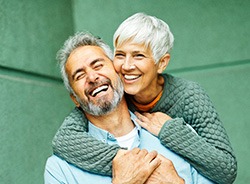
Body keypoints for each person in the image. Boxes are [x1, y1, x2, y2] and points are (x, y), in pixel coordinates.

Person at [52, 13, 237, 183]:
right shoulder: (61, 166)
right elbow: (63, 140)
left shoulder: (188, 100)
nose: (126, 66)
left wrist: (170, 132)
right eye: (120, 55)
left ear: (162, 63)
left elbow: (225, 168)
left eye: (138, 56)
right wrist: (129, 164)